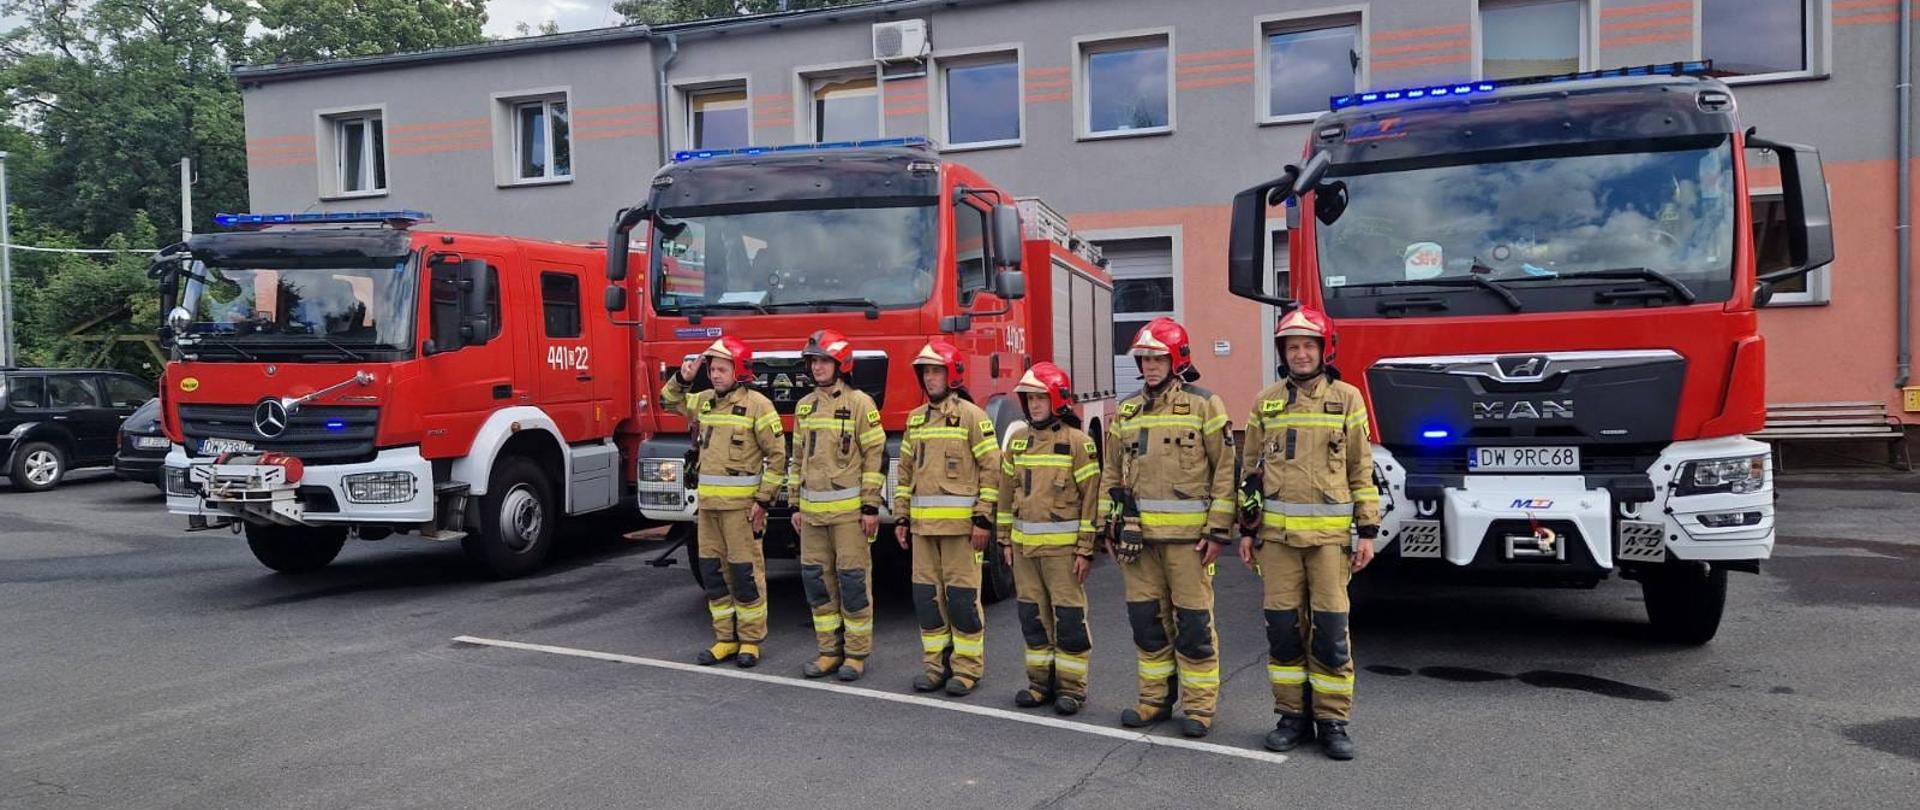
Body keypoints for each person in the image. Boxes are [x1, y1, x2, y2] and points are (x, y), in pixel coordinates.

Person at [1236, 307, 1380, 761]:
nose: (1300, 354)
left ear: (1323, 350)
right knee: (1282, 632)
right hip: (1276, 543)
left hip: (1330, 545)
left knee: (1331, 633)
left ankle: (1333, 721)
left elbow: (1362, 466)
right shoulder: (1266, 401)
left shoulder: (1348, 399)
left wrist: (1368, 531)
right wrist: (1247, 529)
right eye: (1292, 346)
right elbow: (1250, 473)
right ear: (1283, 352)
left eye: (1307, 346)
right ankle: (1291, 717)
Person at [1097, 317, 1236, 739]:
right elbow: (1111, 473)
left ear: (1176, 359)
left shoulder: (1204, 405)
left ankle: (1198, 708)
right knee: (1147, 622)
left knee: (1193, 625)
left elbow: (1225, 470)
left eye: (1158, 358)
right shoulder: (1127, 410)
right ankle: (1154, 700)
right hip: (1138, 544)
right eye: (1144, 359)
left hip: (1189, 543)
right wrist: (1108, 525)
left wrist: (1217, 532)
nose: (1150, 366)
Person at [660, 337, 788, 669]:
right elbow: (667, 400)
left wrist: (763, 501)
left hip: (742, 512)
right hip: (709, 510)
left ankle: (750, 641)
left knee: (745, 575)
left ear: (739, 371)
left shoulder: (759, 406)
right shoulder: (702, 402)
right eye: (712, 369)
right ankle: (725, 639)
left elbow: (777, 458)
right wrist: (684, 378)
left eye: (722, 369)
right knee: (713, 575)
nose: (715, 375)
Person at [893, 340, 1000, 697]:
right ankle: (935, 667)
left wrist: (983, 521)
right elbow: (905, 473)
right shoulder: (915, 419)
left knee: (962, 600)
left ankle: (967, 669)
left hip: (961, 533)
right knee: (927, 600)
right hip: (923, 532)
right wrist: (902, 518)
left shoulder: (973, 417)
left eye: (936, 370)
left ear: (951, 374)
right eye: (925, 371)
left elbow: (992, 471)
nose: (930, 378)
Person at [996, 362, 1100, 715]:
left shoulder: (1078, 444)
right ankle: (1039, 684)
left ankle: (1072, 689)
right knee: (1032, 617)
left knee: (1068, 619)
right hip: (1025, 551)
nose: (1035, 405)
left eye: (1041, 397)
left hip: (1063, 553)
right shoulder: (1018, 442)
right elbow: (1006, 492)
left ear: (1057, 399)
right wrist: (1004, 541)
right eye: (1030, 398)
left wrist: (1086, 550)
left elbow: (1092, 501)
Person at [787, 329, 887, 682]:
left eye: (824, 361)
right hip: (812, 517)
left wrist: (871, 508)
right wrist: (795, 505)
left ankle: (857, 654)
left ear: (840, 364)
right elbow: (797, 458)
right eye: (813, 361)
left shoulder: (860, 404)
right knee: (817, 583)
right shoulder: (805, 407)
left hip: (848, 516)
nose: (817, 367)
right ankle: (828, 650)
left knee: (854, 582)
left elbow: (875, 457)